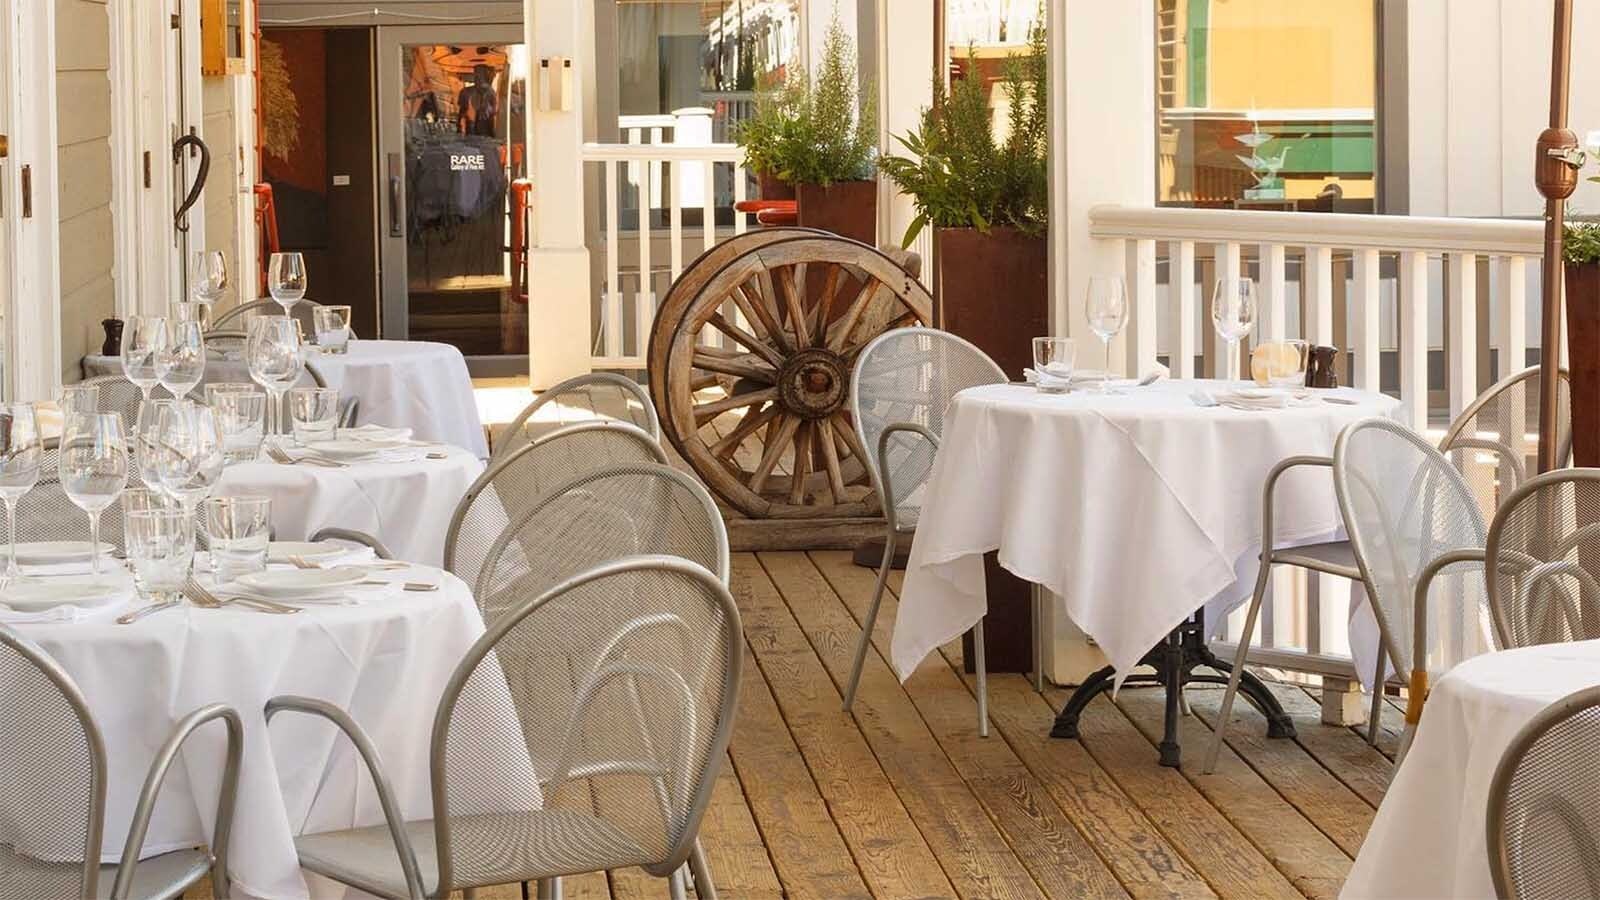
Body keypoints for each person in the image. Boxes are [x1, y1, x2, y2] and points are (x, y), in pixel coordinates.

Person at [457, 64, 499, 136]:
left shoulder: (465, 91)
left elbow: (461, 116)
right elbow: (494, 113)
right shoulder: (491, 92)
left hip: (475, 131)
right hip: (481, 131)